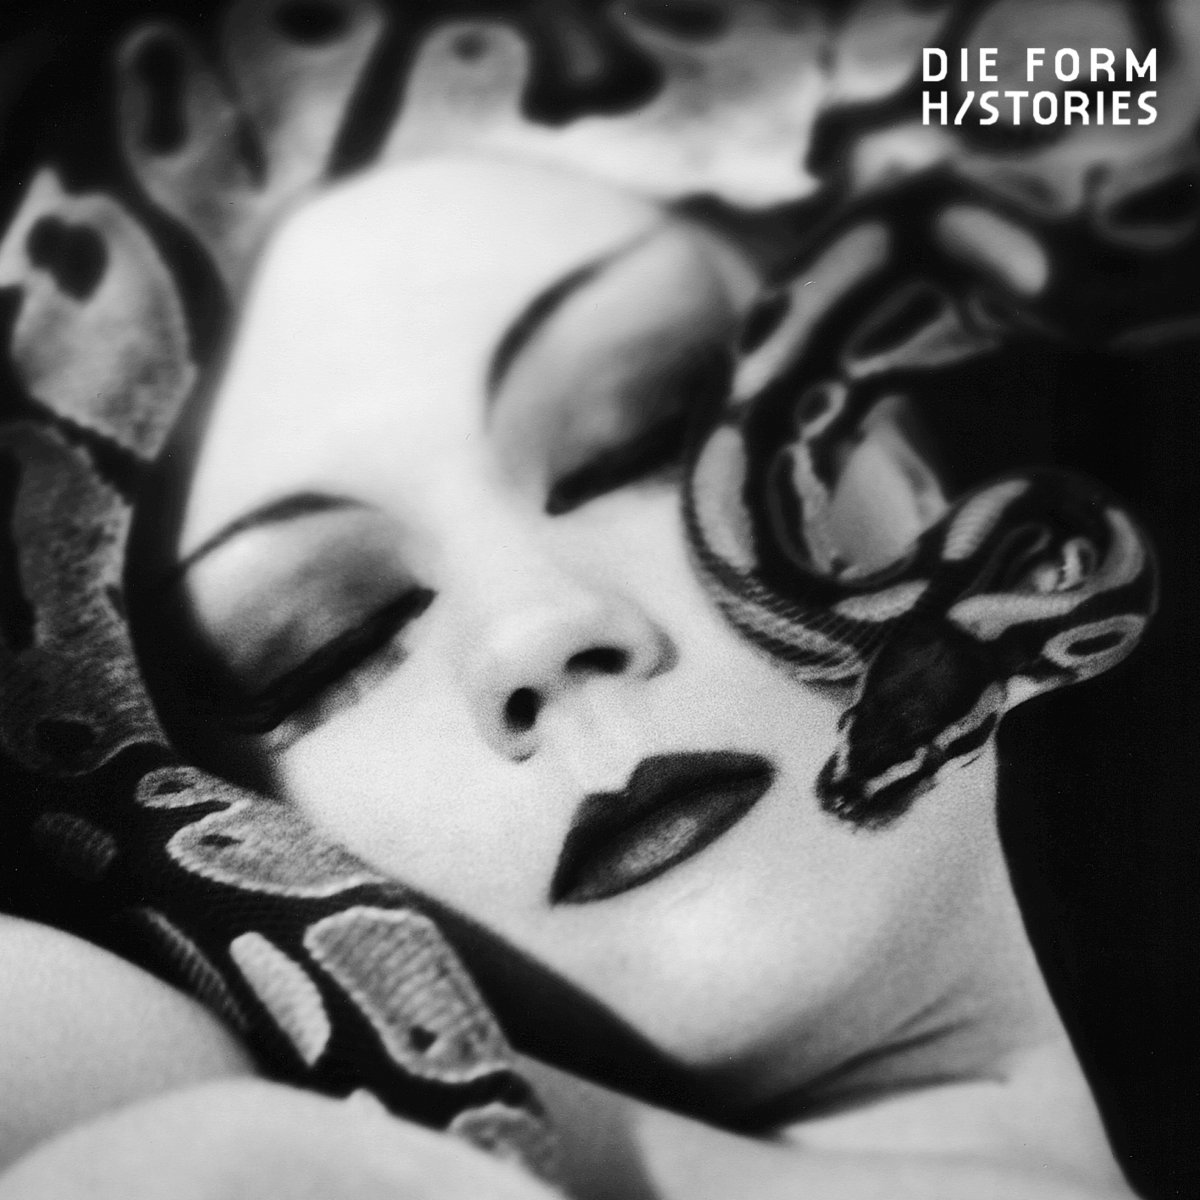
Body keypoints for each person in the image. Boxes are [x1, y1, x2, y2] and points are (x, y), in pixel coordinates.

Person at [0, 151, 1144, 1200]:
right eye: (318, 645)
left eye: (640, 443)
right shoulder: (218, 1141)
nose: (535, 627)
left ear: (917, 470)